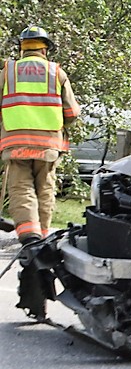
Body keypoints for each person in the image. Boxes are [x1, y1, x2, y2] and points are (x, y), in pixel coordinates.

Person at [0, 26, 80, 245]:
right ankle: (42, 237)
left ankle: (29, 233)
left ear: (22, 49)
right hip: (48, 145)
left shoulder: (8, 72)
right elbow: (72, 112)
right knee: (45, 188)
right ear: (45, 50)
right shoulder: (56, 72)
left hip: (15, 143)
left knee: (21, 187)